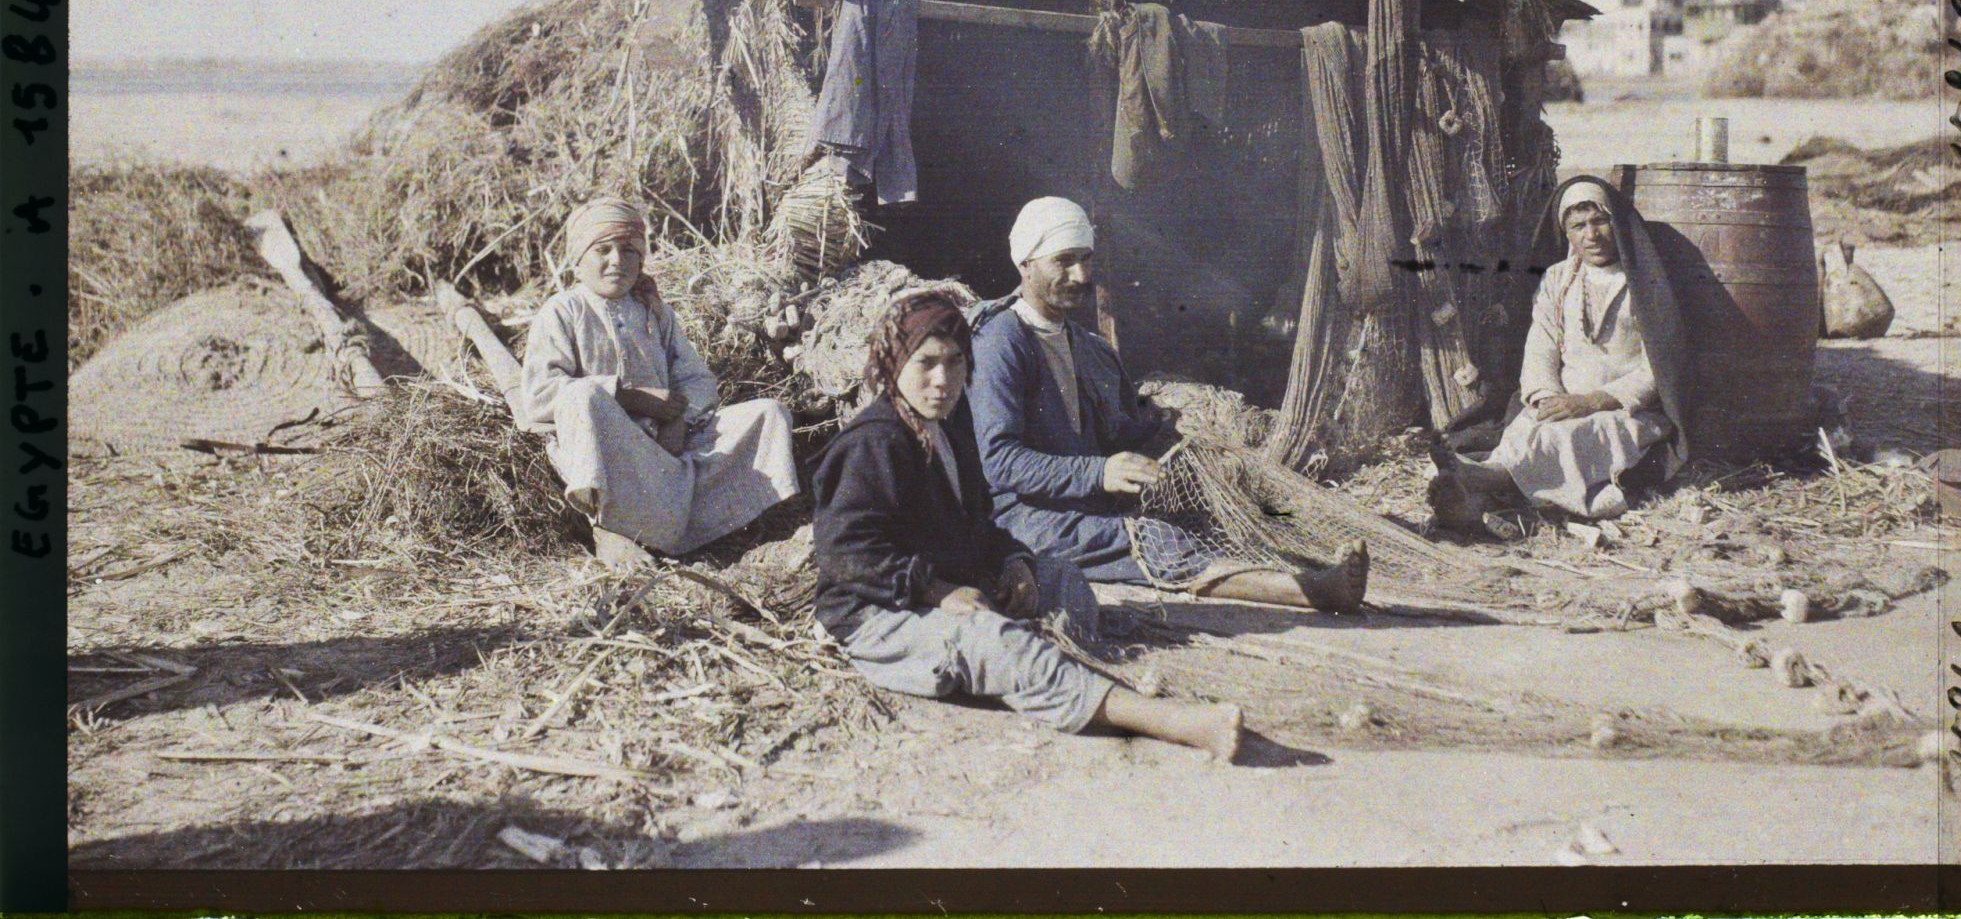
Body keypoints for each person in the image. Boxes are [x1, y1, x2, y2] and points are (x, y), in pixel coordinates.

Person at [813, 288, 1244, 760]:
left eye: (956, 363)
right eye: (926, 363)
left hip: (940, 581)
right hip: (876, 611)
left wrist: (1013, 560)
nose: (943, 380)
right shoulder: (873, 442)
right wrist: (938, 592)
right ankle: (1169, 721)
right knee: (993, 642)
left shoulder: (950, 428)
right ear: (894, 364)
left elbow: (979, 521)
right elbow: (846, 554)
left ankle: (1045, 659)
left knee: (1062, 579)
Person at [967, 197, 1369, 611]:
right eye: (1064, 261)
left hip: (1083, 505)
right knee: (1156, 539)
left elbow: (1113, 434)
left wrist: (1165, 427)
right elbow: (999, 461)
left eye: (1086, 259)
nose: (1081, 274)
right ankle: (1313, 592)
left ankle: (1306, 575)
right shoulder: (1001, 340)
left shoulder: (1089, 348)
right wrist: (1100, 472)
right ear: (1025, 263)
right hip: (1020, 521)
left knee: (1199, 521)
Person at [522, 197, 801, 566]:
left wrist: (679, 421)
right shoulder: (563, 311)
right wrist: (630, 397)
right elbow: (540, 393)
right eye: (603, 250)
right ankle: (608, 528)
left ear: (641, 259)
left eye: (628, 250)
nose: (617, 261)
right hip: (607, 451)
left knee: (770, 413)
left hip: (666, 449)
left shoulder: (655, 312)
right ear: (578, 260)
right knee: (582, 394)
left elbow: (697, 380)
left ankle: (706, 525)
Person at [1429, 175, 1693, 529]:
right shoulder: (1557, 278)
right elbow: (1541, 346)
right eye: (1578, 226)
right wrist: (1547, 398)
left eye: (1600, 221)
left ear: (1617, 223)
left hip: (1626, 411)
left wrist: (1592, 402)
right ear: (1566, 233)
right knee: (1528, 430)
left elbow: (1659, 368)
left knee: (1568, 438)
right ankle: (1473, 501)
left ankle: (1481, 479)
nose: (1591, 235)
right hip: (1563, 402)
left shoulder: (1644, 282)